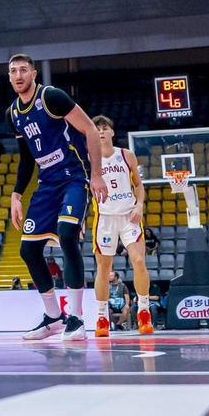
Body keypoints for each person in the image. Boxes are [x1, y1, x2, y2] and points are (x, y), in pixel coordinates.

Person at [4, 55, 108, 344]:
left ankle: (76, 318)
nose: (18, 75)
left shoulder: (51, 97)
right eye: (13, 71)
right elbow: (26, 159)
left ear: (34, 74)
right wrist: (16, 196)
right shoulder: (12, 113)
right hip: (47, 183)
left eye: (23, 70)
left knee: (67, 235)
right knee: (28, 250)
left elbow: (89, 128)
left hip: (74, 175)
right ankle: (54, 318)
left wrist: (96, 174)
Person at [88, 115, 153, 336]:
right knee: (104, 270)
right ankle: (101, 319)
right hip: (104, 218)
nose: (101, 132)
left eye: (104, 128)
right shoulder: (89, 159)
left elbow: (139, 185)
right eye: (96, 129)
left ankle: (144, 312)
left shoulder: (126, 155)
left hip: (129, 216)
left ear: (112, 133)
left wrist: (140, 204)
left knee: (139, 261)